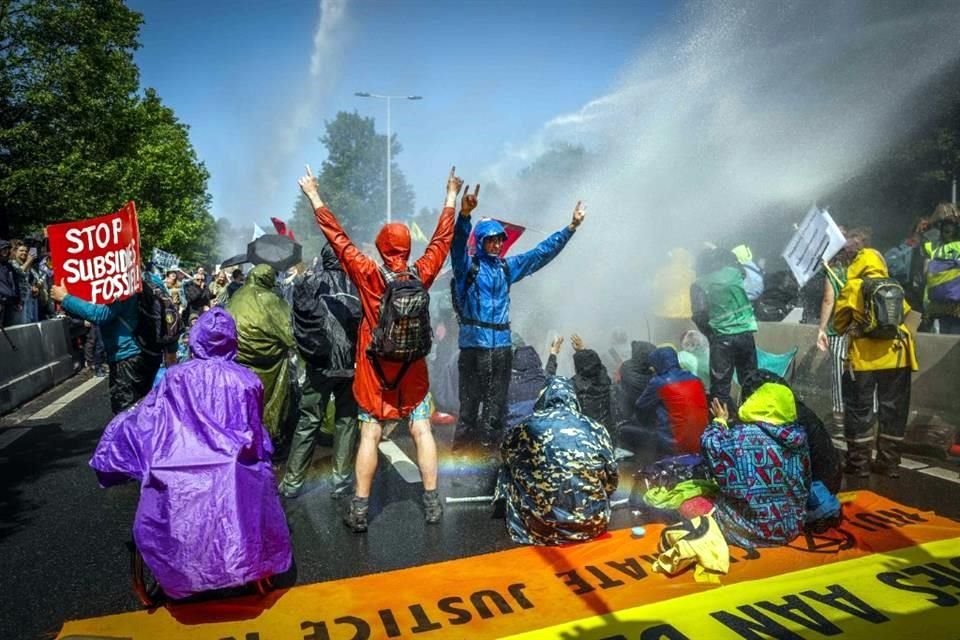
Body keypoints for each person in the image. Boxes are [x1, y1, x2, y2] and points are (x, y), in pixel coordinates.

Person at [89, 308, 292, 599]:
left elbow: (149, 418)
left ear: (196, 339)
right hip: (233, 473)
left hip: (177, 467)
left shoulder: (175, 377)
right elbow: (256, 433)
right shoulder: (248, 380)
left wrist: (120, 439)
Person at [299, 164, 460, 532]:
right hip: (413, 371)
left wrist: (314, 195)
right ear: (405, 247)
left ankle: (359, 509)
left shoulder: (368, 273)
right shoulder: (421, 273)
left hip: (374, 373)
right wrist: (450, 196)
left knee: (370, 434)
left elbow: (337, 238)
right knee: (422, 431)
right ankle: (432, 503)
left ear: (383, 246)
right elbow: (442, 241)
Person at [452, 187, 585, 454]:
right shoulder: (468, 267)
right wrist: (464, 216)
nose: (497, 244)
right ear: (480, 241)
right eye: (491, 240)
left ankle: (490, 456)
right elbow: (456, 246)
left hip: (501, 347)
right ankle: (462, 457)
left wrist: (570, 228)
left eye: (500, 240)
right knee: (469, 406)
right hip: (473, 348)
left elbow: (539, 254)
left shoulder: (506, 268)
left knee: (496, 406)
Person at [279, 244, 361, 499]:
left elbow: (295, 317)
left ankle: (292, 483)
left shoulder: (310, 282)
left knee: (308, 421)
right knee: (347, 422)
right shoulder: (356, 286)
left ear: (324, 260)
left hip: (318, 365)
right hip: (349, 366)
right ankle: (341, 482)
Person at [495, 376, 618, 545]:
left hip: (542, 529)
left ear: (544, 397)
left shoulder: (527, 425)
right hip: (593, 525)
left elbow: (505, 453)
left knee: (506, 469)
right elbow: (612, 479)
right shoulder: (596, 427)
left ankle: (519, 512)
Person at [833, 246, 918, 477]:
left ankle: (859, 464)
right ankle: (889, 463)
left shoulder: (853, 287)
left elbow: (838, 324)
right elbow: (908, 316)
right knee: (893, 410)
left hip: (863, 360)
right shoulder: (894, 286)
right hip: (897, 357)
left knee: (859, 409)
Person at [702, 375, 811, 549]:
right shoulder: (798, 437)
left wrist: (719, 422)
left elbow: (710, 446)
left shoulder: (741, 436)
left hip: (748, 530)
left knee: (694, 502)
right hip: (791, 528)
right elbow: (805, 480)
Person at [51, 276, 162, 413]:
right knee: (142, 409)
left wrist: (65, 298)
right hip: (147, 353)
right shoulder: (144, 282)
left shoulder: (124, 289)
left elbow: (100, 315)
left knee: (125, 412)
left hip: (127, 357)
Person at [226, 263, 295, 441]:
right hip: (267, 362)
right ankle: (266, 437)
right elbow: (289, 332)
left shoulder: (237, 295)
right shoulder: (271, 299)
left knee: (240, 404)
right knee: (265, 401)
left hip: (236, 358)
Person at [691, 246, 758, 412]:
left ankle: (722, 425)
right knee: (751, 379)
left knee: (720, 386)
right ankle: (754, 417)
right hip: (746, 333)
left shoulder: (699, 284)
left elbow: (700, 314)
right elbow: (742, 273)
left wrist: (711, 335)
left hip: (722, 339)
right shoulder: (734, 273)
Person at [634, 346, 709, 455]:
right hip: (702, 440)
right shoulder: (695, 379)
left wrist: (647, 424)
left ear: (658, 363)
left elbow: (640, 406)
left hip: (675, 444)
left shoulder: (658, 382)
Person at [815, 245, 853, 437]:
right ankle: (864, 420)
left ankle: (840, 423)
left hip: (838, 330)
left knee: (839, 376)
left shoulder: (834, 272)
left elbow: (829, 300)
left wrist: (821, 328)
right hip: (859, 331)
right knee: (861, 377)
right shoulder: (859, 270)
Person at [545, 334, 613, 431]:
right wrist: (582, 351)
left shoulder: (573, 385)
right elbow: (598, 366)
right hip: (607, 436)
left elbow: (548, 383)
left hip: (586, 435)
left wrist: (553, 354)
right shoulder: (605, 381)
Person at [921, 203, 960, 334]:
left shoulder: (933, 246)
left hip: (934, 304)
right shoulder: (957, 246)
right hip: (954, 306)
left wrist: (933, 219)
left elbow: (925, 272)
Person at [0, 240, 21, 327]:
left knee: (9, 329)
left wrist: (17, 301)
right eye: (3, 249)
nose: (5, 251)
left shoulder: (9, 266)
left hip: (10, 303)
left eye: (7, 249)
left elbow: (15, 284)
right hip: (1, 302)